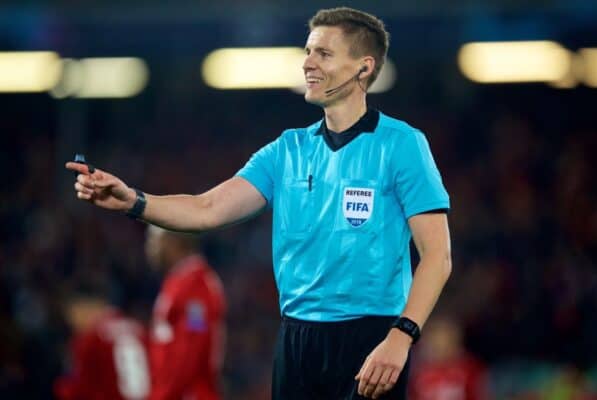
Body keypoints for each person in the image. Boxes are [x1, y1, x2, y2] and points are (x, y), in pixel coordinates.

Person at [66, 6, 452, 399]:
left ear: (363, 68)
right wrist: (133, 200)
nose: (308, 64)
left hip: (371, 335)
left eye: (324, 53)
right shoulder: (286, 150)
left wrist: (401, 336)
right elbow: (207, 209)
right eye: (307, 51)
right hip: (296, 340)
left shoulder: (402, 145)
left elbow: (437, 255)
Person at [144, 225, 226, 400]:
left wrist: (165, 394)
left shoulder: (195, 285)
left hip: (188, 393)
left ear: (174, 242)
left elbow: (194, 340)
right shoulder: (181, 280)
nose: (150, 248)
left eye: (154, 240)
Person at [54, 288, 150, 400]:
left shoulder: (89, 338)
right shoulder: (139, 329)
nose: (73, 323)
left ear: (82, 309)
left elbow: (80, 387)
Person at [410, 315, 488, 400]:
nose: (438, 347)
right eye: (434, 343)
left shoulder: (469, 369)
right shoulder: (419, 371)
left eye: (443, 342)